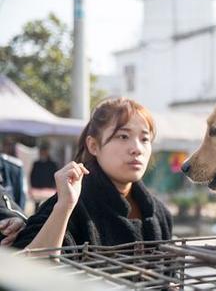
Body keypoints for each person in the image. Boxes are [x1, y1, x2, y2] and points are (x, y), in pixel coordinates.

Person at [13, 98, 172, 251]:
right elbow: (26, 268)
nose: (137, 149)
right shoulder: (68, 205)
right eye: (123, 136)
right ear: (94, 145)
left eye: (145, 139)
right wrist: (63, 209)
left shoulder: (159, 213)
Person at [29, 142, 58, 210]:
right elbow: (32, 176)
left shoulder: (53, 164)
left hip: (49, 189)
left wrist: (52, 186)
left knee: (49, 206)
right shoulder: (36, 163)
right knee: (37, 208)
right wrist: (34, 186)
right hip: (38, 188)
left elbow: (55, 176)